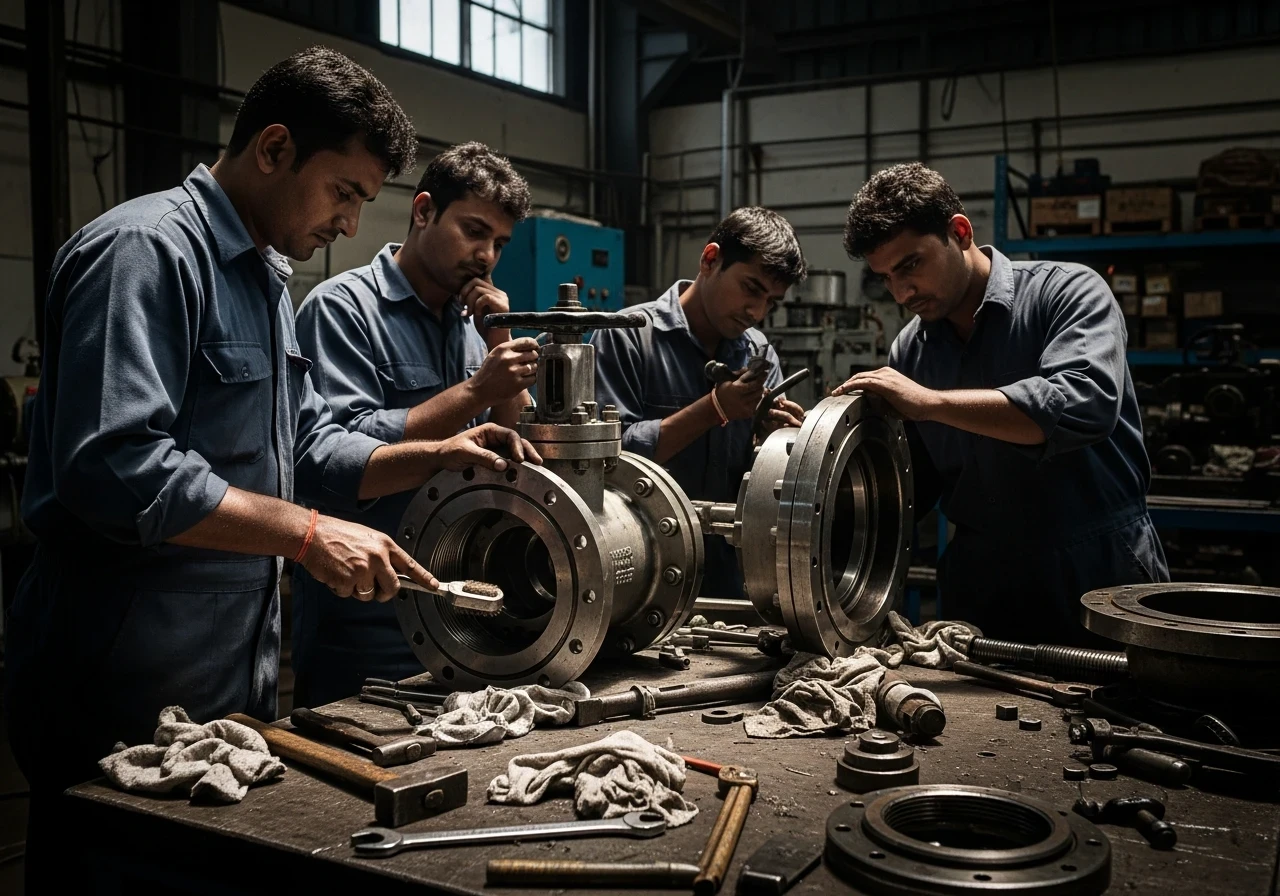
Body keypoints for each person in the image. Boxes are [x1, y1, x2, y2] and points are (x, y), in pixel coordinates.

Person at [4, 47, 538, 888]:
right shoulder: (146, 253)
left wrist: (437, 453)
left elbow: (309, 450)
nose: (353, 225)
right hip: (118, 685)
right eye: (346, 193)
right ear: (274, 148)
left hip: (227, 686)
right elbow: (114, 464)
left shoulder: (261, 280)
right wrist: (304, 532)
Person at [834, 162, 1168, 644]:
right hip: (982, 585)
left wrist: (930, 402)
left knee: (1125, 715)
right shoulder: (911, 349)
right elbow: (911, 479)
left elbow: (1082, 403)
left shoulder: (1067, 292)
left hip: (1095, 571)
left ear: (960, 231)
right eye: (885, 277)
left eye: (910, 265)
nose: (901, 292)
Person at [292, 142, 536, 706]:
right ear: (423, 211)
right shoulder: (343, 309)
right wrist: (475, 389)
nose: (487, 256)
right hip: (366, 611)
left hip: (464, 606)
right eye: (474, 232)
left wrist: (498, 337)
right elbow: (336, 457)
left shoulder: (473, 325)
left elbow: (510, 437)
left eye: (499, 243)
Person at [592, 207, 808, 599]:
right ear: (711, 260)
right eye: (751, 289)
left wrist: (776, 438)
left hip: (730, 578)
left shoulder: (759, 352)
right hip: (641, 571)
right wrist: (714, 410)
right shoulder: (626, 339)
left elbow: (765, 477)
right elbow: (606, 460)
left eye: (771, 302)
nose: (757, 313)